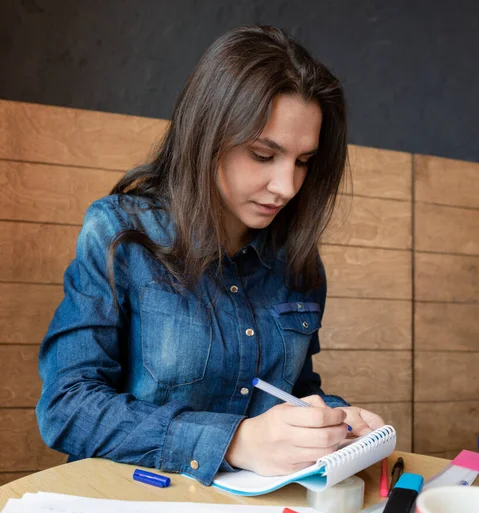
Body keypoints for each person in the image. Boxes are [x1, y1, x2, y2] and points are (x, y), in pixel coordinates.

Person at [37, 25, 384, 486]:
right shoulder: (120, 233)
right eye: (264, 154)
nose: (287, 186)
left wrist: (333, 422)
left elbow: (293, 391)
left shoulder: (298, 264)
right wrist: (236, 441)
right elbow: (67, 407)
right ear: (206, 136)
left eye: (303, 162)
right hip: (133, 509)